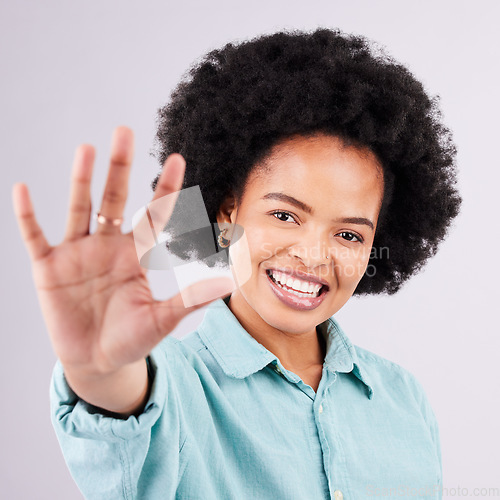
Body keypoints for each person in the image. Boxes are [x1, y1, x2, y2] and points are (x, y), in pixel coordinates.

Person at [12, 28, 461, 499]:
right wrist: (98, 371)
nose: (313, 255)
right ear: (227, 215)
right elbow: (119, 404)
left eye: (348, 234)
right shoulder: (174, 388)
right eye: (285, 215)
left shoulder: (403, 399)